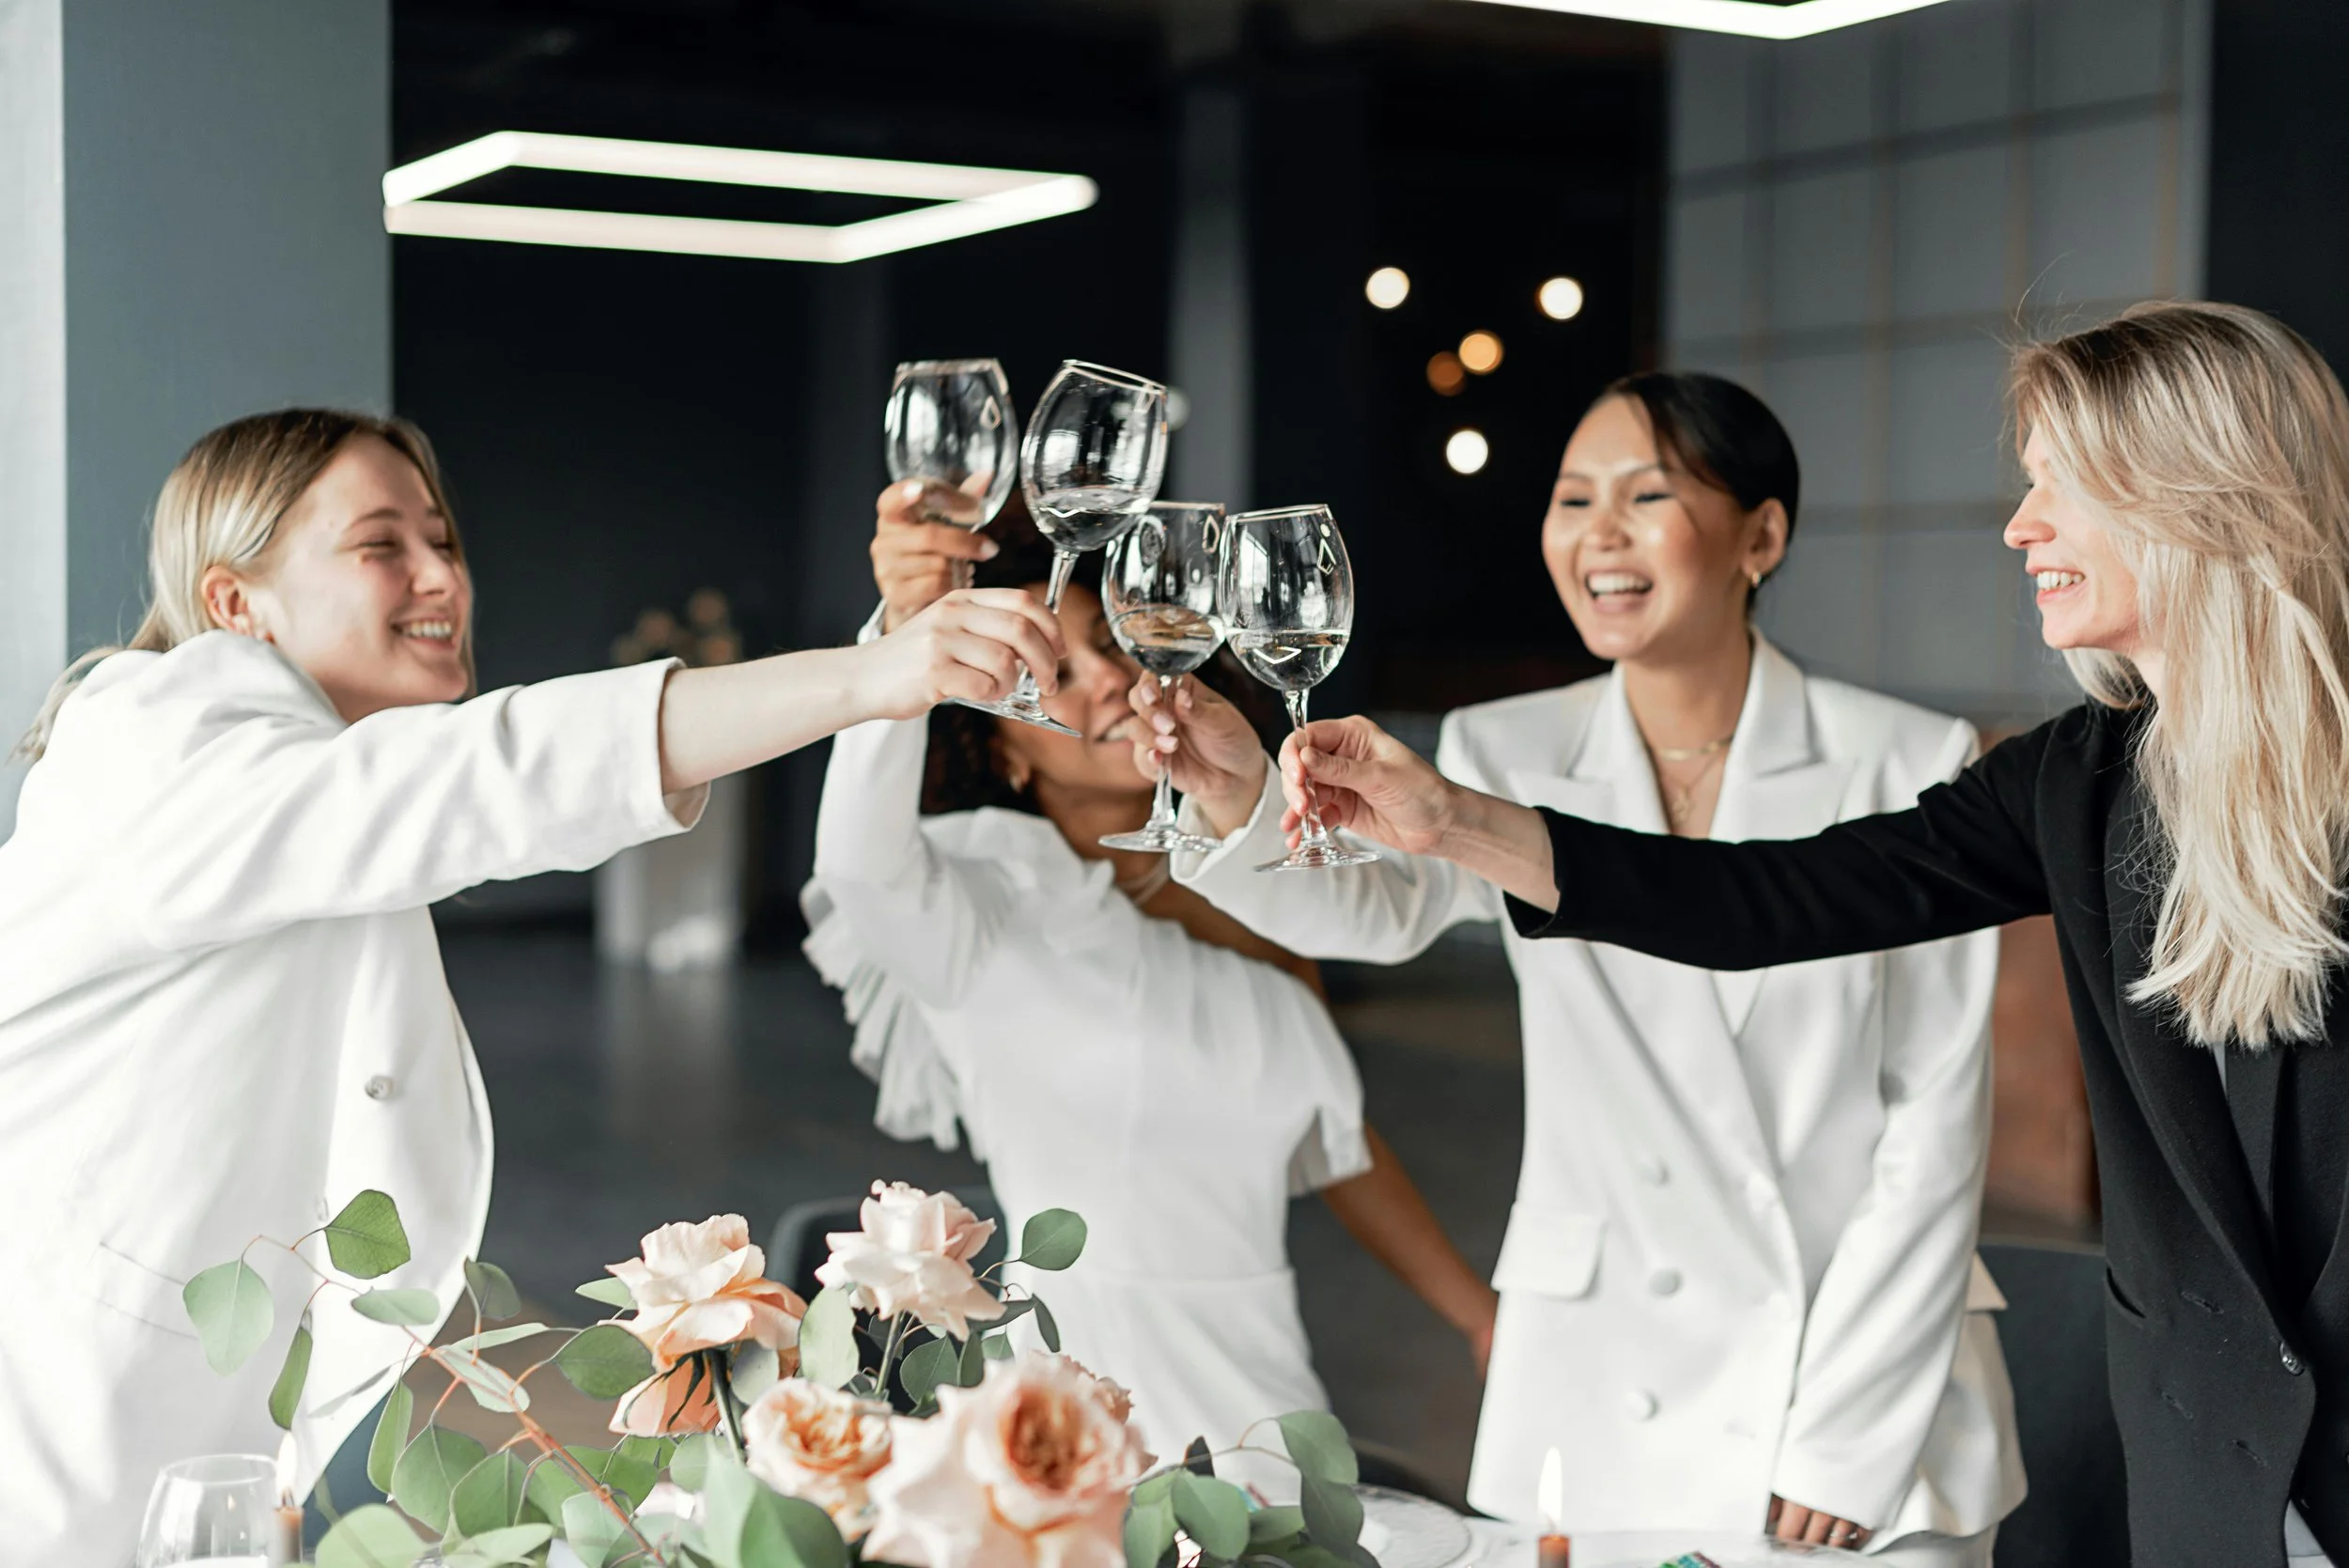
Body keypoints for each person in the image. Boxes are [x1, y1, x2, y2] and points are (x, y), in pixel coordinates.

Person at [1213, 302, 2349, 1568]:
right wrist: (1445, 812)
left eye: (2060, 488)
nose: (2020, 527)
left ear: (2196, 498)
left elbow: (1933, 1117)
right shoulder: (2072, 782)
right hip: (2213, 1451)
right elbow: (1764, 904)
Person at [0, 410, 1065, 1565]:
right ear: (232, 604)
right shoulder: (159, 731)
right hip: (59, 1428)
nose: (439, 574)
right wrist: (872, 677)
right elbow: (489, 775)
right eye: (381, 545)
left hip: (193, 1429)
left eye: (443, 538)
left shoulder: (314, 786)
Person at [1141, 373, 2023, 1562]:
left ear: (1760, 534)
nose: (1596, 534)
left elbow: (1934, 1113)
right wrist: (1242, 797)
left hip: (1851, 1380)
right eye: (1569, 499)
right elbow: (1376, 905)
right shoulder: (1506, 746)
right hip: (1605, 1376)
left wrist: (1848, 1434)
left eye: (1646, 494)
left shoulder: (1905, 757)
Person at [800, 483, 1498, 1486]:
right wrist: (907, 635)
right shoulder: (981, 899)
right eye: (1053, 669)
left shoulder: (1264, 891)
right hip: (1075, 1396)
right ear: (1001, 747)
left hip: (1266, 1387)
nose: (1102, 681)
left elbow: (1338, 1141)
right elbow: (858, 867)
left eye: (1111, 645)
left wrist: (1478, 1318)